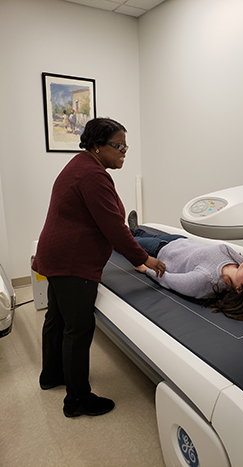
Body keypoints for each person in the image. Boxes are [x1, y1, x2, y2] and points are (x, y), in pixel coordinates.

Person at [32, 118, 165, 418]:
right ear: (96, 146)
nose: (124, 152)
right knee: (78, 329)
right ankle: (77, 400)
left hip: (56, 254)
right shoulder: (92, 175)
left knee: (56, 319)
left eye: (126, 146)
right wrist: (144, 259)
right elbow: (114, 229)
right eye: (118, 146)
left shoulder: (82, 166)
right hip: (71, 261)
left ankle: (51, 375)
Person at [128, 211, 243, 324]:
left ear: (240, 290)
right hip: (181, 240)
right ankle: (136, 230)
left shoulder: (205, 280)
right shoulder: (237, 262)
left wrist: (146, 270)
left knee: (130, 243)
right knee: (149, 235)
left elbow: (169, 280)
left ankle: (131, 233)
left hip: (161, 250)